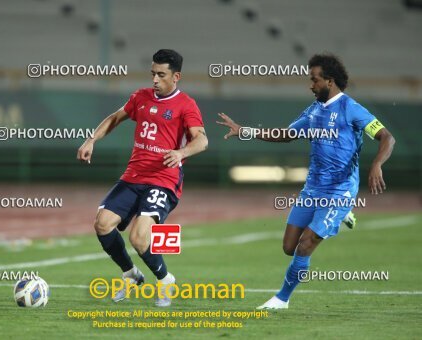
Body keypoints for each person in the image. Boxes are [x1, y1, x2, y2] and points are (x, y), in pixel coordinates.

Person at [216, 53, 395, 309]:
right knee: (289, 247)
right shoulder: (313, 111)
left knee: (305, 244)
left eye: (315, 80)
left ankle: (282, 298)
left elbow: (387, 137)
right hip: (313, 188)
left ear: (330, 81)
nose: (311, 85)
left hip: (340, 190)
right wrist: (245, 131)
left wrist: (377, 164)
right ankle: (344, 216)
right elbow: (286, 134)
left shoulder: (351, 108)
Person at [77, 49, 208, 307]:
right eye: (153, 74)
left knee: (138, 237)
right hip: (133, 176)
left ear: (176, 76)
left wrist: (181, 152)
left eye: (161, 75)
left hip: (163, 179)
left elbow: (202, 140)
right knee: (102, 224)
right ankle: (130, 274)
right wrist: (91, 139)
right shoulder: (141, 97)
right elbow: (115, 118)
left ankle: (165, 279)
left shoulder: (186, 105)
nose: (155, 80)